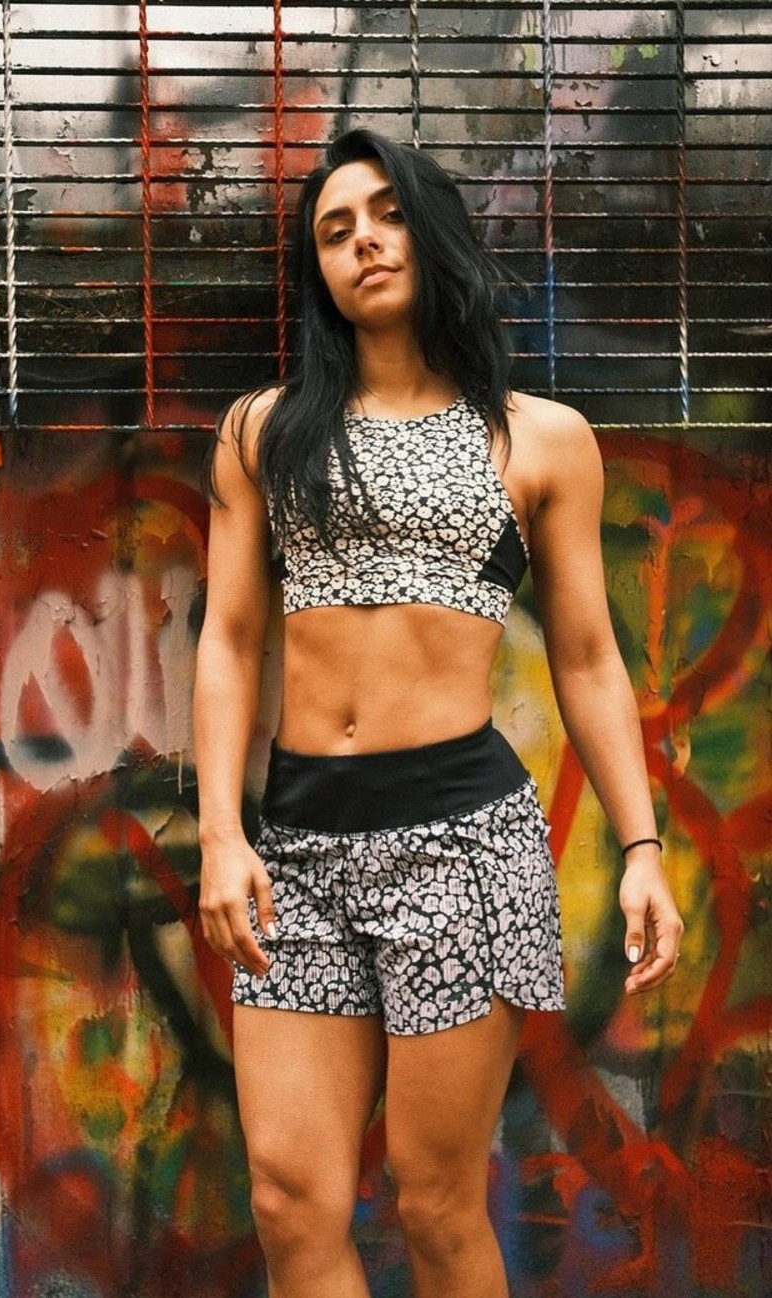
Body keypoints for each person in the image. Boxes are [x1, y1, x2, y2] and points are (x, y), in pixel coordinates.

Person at [192, 128, 683, 1298]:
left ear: (434, 233)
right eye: (335, 230)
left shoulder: (539, 437)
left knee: (435, 1200)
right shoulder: (264, 431)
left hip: (461, 848)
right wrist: (220, 833)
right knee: (289, 1199)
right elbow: (230, 640)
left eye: (387, 215)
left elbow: (588, 656)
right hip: (299, 849)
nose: (364, 242)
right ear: (317, 271)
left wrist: (642, 846)